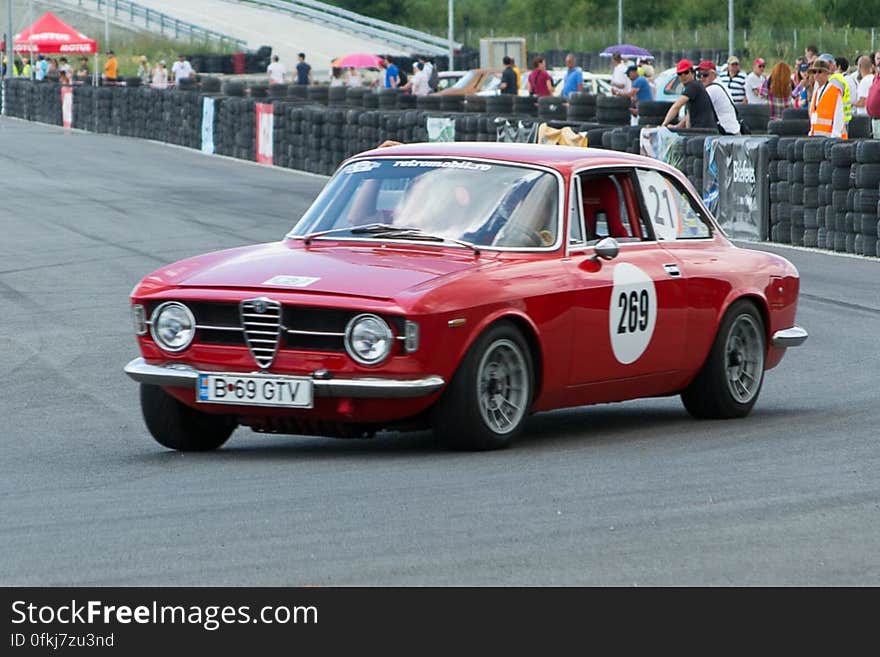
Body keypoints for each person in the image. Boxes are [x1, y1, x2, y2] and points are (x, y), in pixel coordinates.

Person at [660, 59, 716, 131]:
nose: (683, 76)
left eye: (686, 72)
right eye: (680, 74)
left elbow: (676, 106)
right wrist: (678, 126)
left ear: (692, 73)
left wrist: (663, 125)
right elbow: (688, 115)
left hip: (703, 131)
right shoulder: (696, 86)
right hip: (703, 130)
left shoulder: (693, 86)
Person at [697, 60, 740, 135]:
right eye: (699, 75)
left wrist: (679, 125)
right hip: (730, 132)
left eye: (705, 75)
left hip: (726, 134)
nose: (701, 78)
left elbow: (696, 109)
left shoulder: (712, 89)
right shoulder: (720, 85)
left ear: (713, 74)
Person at [808, 59, 847, 139]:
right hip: (816, 138)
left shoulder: (834, 91)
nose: (816, 74)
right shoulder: (816, 92)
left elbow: (838, 118)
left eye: (819, 71)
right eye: (814, 72)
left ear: (826, 73)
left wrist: (834, 138)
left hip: (830, 139)